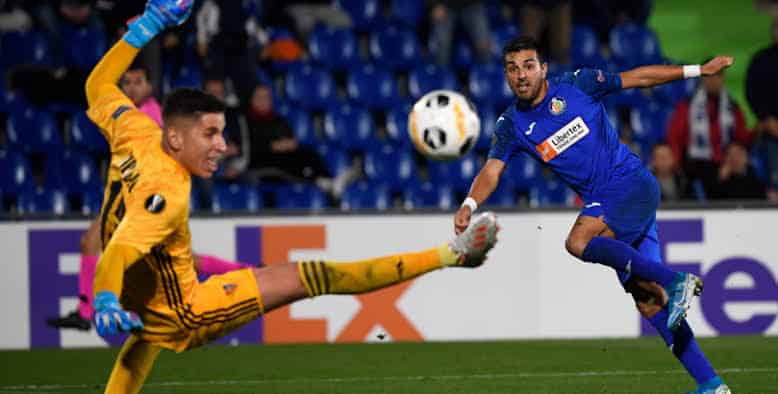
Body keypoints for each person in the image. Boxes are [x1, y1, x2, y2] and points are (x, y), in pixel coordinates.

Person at [85, 2, 499, 393]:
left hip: (146, 296)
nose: (221, 146)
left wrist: (149, 25)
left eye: (222, 133)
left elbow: (98, 84)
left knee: (145, 337)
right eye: (209, 134)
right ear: (174, 137)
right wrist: (102, 298)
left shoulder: (134, 130)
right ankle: (453, 255)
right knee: (317, 276)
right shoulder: (168, 191)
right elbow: (118, 250)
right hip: (189, 311)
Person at [453, 36, 731, 394]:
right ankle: (711, 384)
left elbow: (638, 78)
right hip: (614, 205)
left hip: (629, 183)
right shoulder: (512, 125)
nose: (520, 75)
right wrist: (469, 204)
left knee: (579, 241)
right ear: (506, 75)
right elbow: (491, 171)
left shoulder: (577, 84)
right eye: (512, 68)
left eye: (527, 65)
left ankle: (677, 280)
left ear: (543, 69)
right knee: (648, 302)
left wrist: (698, 70)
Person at [667, 57, 752, 199]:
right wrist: (677, 163)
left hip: (726, 161)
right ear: (702, 79)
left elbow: (740, 137)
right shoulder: (688, 105)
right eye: (709, 76)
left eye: (717, 76)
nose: (713, 81)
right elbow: (675, 136)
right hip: (696, 163)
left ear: (722, 79)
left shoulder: (732, 106)